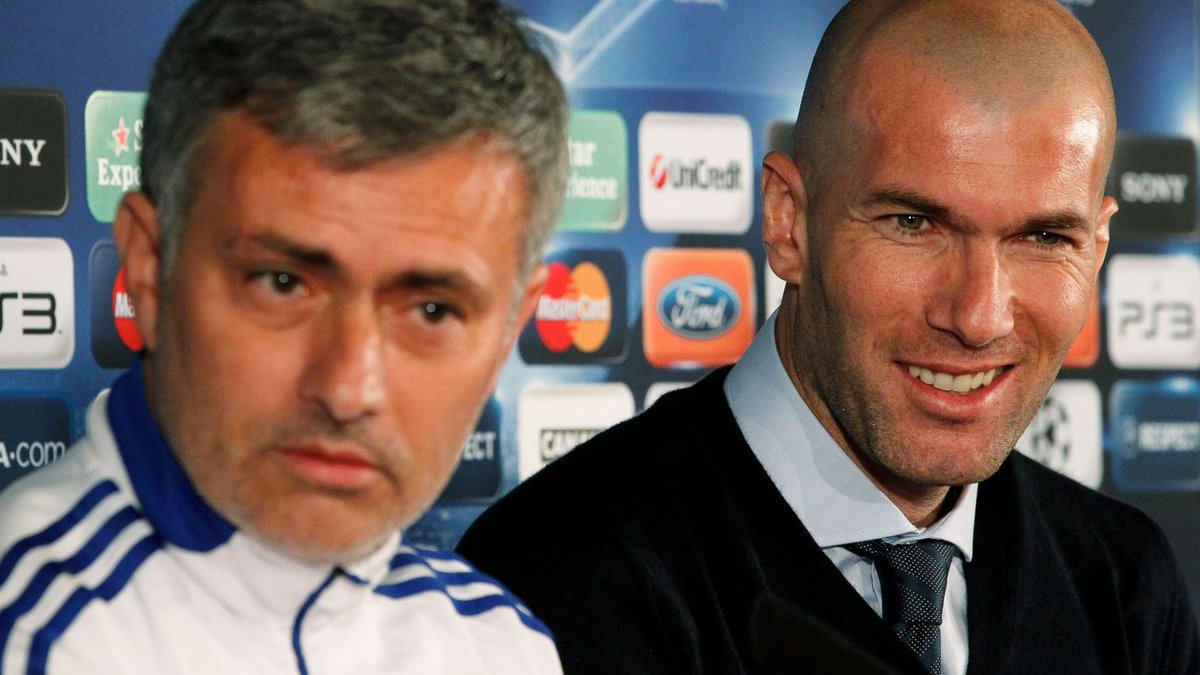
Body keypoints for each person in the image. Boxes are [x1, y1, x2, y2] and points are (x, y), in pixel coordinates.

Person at [457, 1, 1200, 673]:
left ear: (1097, 248)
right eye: (913, 223)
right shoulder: (554, 581)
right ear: (789, 222)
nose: (978, 316)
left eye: (1044, 237)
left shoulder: (1124, 580)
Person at [0, 0, 568, 672]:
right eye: (282, 282)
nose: (348, 389)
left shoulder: (504, 643)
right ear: (150, 269)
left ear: (509, 330)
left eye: (432, 311)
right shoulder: (33, 635)